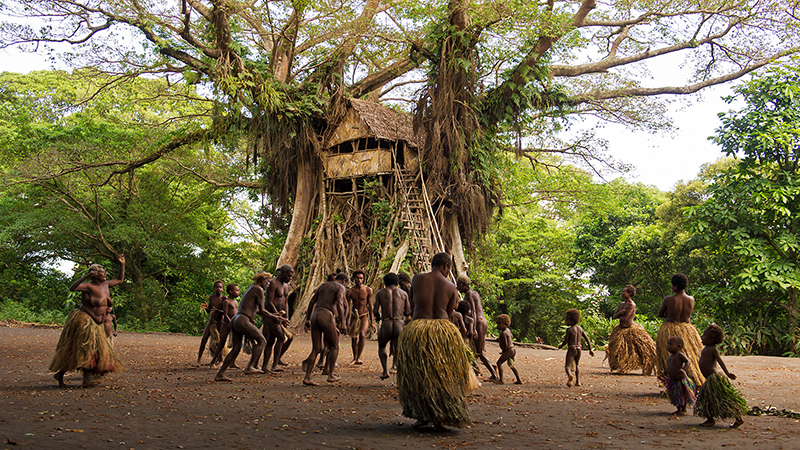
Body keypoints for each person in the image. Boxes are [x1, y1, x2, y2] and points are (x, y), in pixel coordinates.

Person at [396, 253, 480, 431]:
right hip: (442, 332)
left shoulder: (417, 279)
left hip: (417, 330)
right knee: (442, 374)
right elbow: (450, 312)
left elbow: (412, 303)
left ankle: (421, 415)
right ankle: (439, 416)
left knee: (418, 373)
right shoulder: (450, 286)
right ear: (446, 267)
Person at [50, 255, 125, 388]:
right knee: (86, 349)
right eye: (102, 273)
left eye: (104, 273)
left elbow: (120, 280)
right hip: (86, 321)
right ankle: (82, 379)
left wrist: (122, 264)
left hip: (99, 323)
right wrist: (86, 276)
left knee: (95, 350)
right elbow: (72, 288)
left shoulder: (106, 285)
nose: (105, 275)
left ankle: (74, 376)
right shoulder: (87, 286)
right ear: (95, 275)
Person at [214, 272, 287, 382]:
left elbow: (256, 310)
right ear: (262, 280)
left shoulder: (251, 288)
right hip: (243, 320)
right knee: (262, 341)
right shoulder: (258, 289)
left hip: (236, 319)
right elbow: (262, 310)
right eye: (267, 281)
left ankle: (220, 373)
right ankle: (250, 366)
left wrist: (275, 316)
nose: (268, 284)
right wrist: (274, 317)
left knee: (236, 348)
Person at [656, 274, 705, 387]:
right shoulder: (691, 299)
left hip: (670, 328)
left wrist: (670, 314)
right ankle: (694, 379)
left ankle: (670, 382)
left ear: (675, 287)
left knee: (668, 356)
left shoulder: (669, 299)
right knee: (692, 354)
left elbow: (660, 314)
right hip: (687, 329)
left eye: (672, 285)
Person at [695, 325, 746, 428]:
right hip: (709, 380)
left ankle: (738, 418)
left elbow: (720, 361)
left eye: (704, 335)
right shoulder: (707, 348)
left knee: (724, 399)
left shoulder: (713, 349)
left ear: (710, 339)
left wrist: (727, 373)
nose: (701, 337)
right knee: (707, 399)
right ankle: (710, 419)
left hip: (714, 380)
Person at [301, 273, 349, 385]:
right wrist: (343, 322)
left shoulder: (323, 285)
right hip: (326, 315)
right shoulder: (340, 287)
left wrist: (308, 319)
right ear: (343, 281)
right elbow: (340, 304)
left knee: (316, 348)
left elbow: (312, 301)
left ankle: (307, 377)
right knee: (334, 346)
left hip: (315, 314)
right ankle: (331, 375)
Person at [607, 285, 656, 375]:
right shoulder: (622, 305)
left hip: (630, 329)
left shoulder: (632, 305)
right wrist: (620, 313)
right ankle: (621, 366)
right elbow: (614, 317)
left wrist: (620, 315)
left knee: (641, 349)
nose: (622, 293)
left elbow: (625, 318)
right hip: (620, 329)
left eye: (624, 291)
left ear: (629, 294)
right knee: (619, 349)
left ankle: (646, 367)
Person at [457, 274, 499, 381]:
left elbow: (474, 312)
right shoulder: (474, 293)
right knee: (476, 350)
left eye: (459, 285)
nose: (457, 288)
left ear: (463, 285)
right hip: (481, 322)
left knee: (480, 352)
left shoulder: (469, 295)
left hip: (479, 322)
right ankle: (478, 369)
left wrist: (474, 329)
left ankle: (494, 374)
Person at [373, 273, 411, 380]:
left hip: (386, 323)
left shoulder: (380, 293)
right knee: (400, 349)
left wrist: (378, 316)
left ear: (385, 282)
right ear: (397, 282)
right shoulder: (403, 294)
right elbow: (408, 311)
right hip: (399, 323)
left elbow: (375, 310)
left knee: (382, 345)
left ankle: (385, 370)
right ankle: (399, 371)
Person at [263, 265, 294, 372]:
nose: (290, 278)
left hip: (280, 316)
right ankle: (273, 364)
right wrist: (277, 316)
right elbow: (269, 302)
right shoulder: (273, 283)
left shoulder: (287, 285)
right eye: (289, 276)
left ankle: (269, 364)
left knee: (272, 340)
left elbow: (285, 302)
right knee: (280, 338)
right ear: (283, 273)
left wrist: (286, 317)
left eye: (291, 277)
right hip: (271, 316)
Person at [658, 336, 697, 416]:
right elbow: (669, 367)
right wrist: (664, 373)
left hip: (680, 379)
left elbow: (688, 362)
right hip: (673, 380)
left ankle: (683, 409)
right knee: (676, 395)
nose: (668, 346)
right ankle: (678, 409)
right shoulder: (670, 357)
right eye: (667, 344)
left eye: (670, 344)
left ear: (679, 346)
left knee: (682, 395)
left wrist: (684, 369)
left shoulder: (680, 355)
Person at [557, 309, 594, 387]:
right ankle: (578, 382)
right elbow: (587, 338)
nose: (565, 321)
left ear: (572, 320)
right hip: (579, 348)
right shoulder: (580, 329)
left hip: (572, 348)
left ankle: (570, 375)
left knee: (567, 366)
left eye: (567, 319)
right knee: (577, 365)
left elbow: (565, 341)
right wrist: (590, 349)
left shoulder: (569, 330)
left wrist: (560, 346)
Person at [194, 280, 226, 366]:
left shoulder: (224, 299)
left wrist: (218, 310)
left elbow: (226, 312)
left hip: (220, 322)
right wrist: (206, 308)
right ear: (214, 288)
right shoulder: (211, 297)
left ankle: (221, 360)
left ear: (222, 289)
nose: (218, 289)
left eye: (220, 287)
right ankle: (198, 360)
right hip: (212, 321)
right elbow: (209, 311)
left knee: (219, 341)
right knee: (204, 339)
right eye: (217, 287)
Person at [209, 283, 240, 367]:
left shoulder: (236, 302)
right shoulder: (227, 301)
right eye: (236, 290)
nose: (238, 292)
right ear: (230, 291)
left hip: (233, 324)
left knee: (236, 344)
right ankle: (212, 362)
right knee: (221, 344)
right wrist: (231, 323)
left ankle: (232, 362)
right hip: (226, 325)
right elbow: (225, 315)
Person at [347, 269, 374, 365]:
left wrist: (372, 322)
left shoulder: (368, 290)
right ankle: (354, 357)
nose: (359, 280)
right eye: (357, 278)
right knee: (354, 337)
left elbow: (370, 306)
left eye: (361, 278)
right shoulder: (350, 291)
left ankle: (359, 357)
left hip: (364, 316)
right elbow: (347, 307)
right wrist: (346, 321)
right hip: (354, 316)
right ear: (354, 278)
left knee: (362, 334)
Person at [494, 314, 522, 385]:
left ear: (505, 324)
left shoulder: (503, 333)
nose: (498, 326)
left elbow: (505, 344)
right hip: (513, 349)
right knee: (511, 365)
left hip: (508, 350)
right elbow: (511, 337)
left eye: (499, 324)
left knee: (499, 363)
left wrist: (503, 351)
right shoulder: (508, 330)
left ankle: (501, 379)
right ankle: (518, 379)